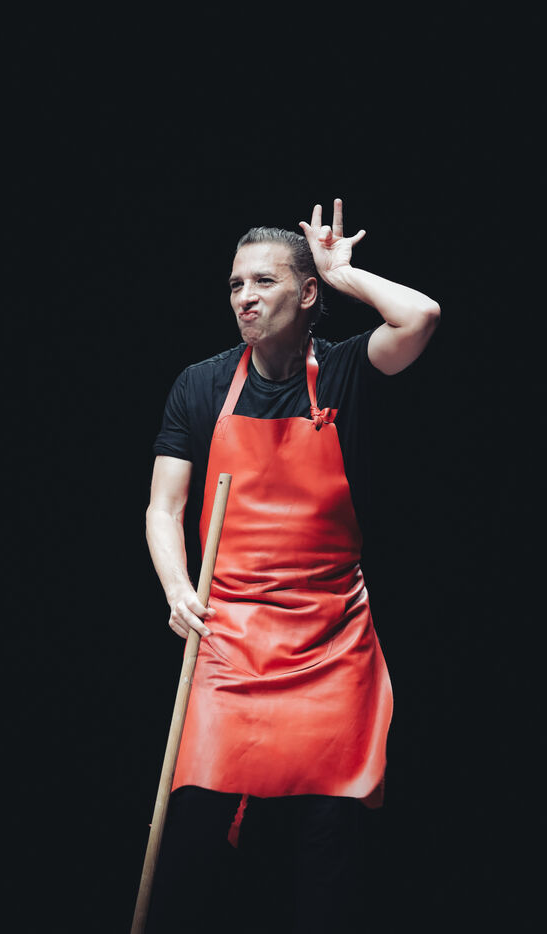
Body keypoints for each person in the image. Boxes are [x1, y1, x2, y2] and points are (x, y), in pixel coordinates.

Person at [143, 198, 440, 932]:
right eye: (235, 284)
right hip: (229, 641)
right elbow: (163, 507)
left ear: (306, 293)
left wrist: (342, 273)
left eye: (264, 282)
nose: (244, 298)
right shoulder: (201, 385)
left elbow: (419, 316)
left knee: (326, 850)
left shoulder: (342, 372)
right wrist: (178, 588)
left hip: (329, 642)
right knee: (194, 839)